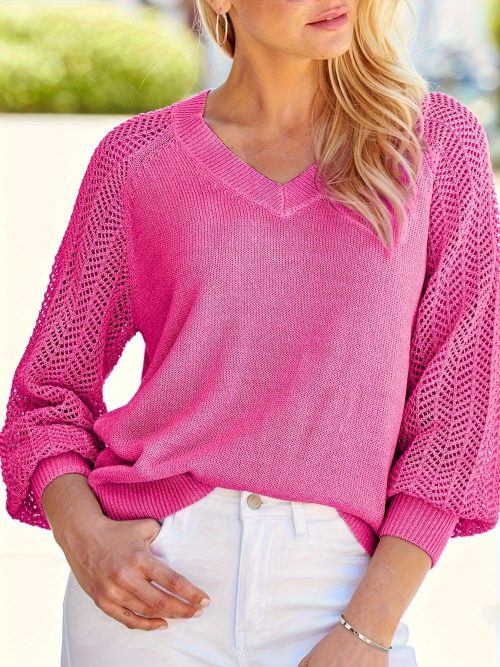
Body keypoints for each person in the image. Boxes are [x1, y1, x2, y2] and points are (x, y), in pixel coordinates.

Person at [1, 1, 499, 666]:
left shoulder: (435, 144)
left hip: (337, 592)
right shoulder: (139, 160)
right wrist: (85, 537)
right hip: (151, 582)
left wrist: (369, 628)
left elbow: (458, 413)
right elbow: (48, 393)